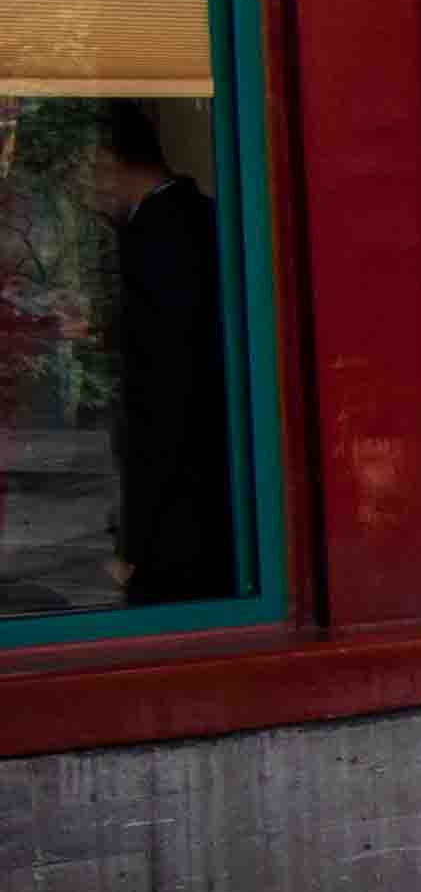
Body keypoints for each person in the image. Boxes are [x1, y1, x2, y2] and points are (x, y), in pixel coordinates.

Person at [84, 104, 232, 607]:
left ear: (108, 162)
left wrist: (138, 538)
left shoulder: (156, 239)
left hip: (179, 506)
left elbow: (163, 390)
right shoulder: (199, 216)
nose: (88, 193)